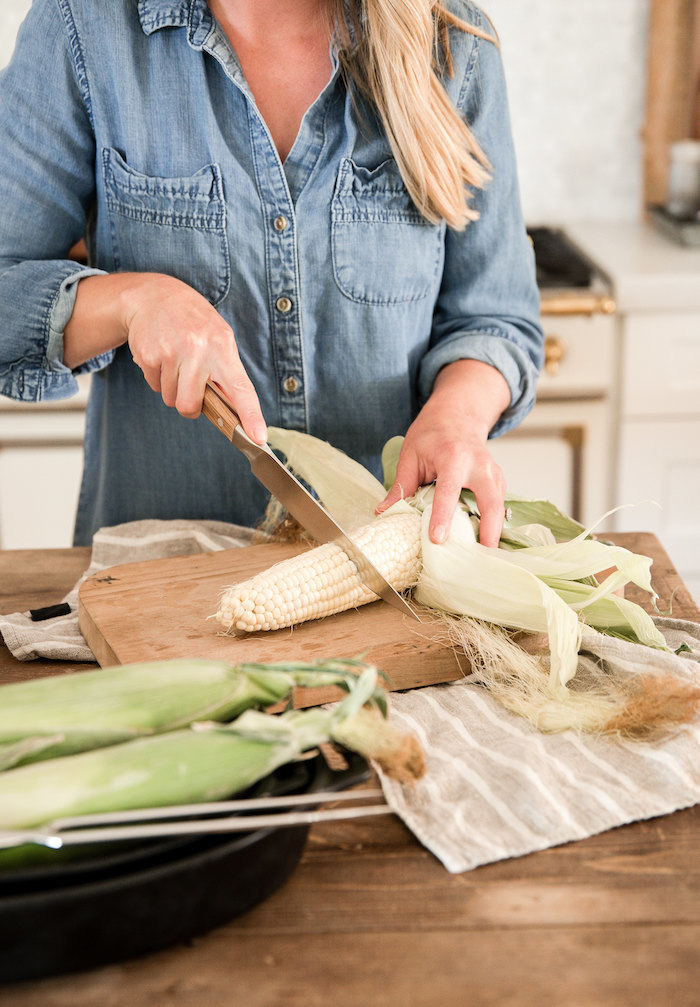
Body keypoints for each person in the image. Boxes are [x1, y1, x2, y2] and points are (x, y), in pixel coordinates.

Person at [0, 0, 543, 550]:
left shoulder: (452, 44)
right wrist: (133, 301)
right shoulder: (83, 26)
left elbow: (495, 319)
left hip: (390, 568)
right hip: (157, 571)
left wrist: (456, 417)